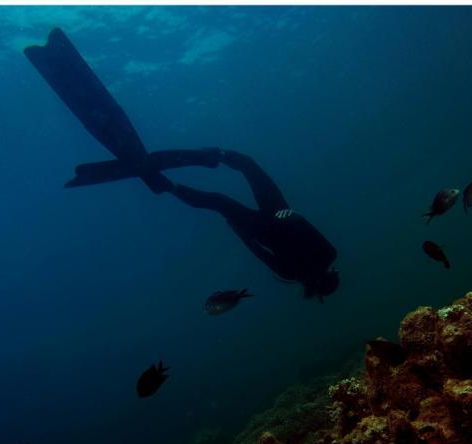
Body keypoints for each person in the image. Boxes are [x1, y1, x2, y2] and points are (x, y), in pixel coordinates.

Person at [25, 28, 339, 300]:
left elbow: (257, 251)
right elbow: (297, 232)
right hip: (278, 216)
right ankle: (209, 158)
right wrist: (289, 217)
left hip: (266, 226)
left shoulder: (294, 270)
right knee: (246, 171)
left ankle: (180, 177)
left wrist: (240, 228)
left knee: (222, 198)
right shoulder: (321, 258)